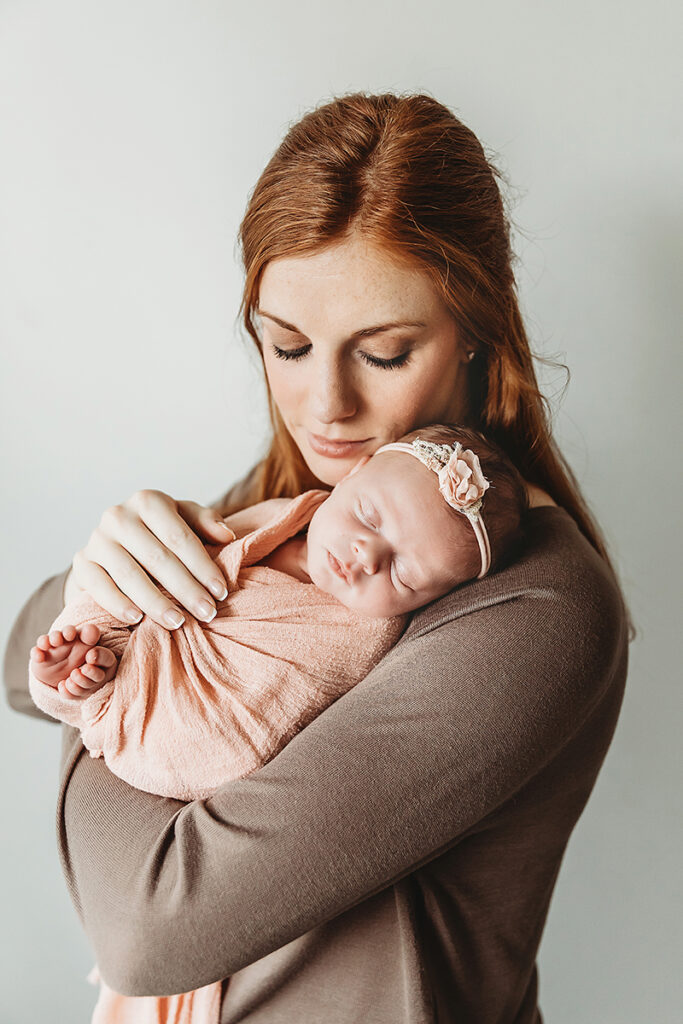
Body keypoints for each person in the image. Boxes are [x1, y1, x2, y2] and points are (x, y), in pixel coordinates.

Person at [3, 91, 629, 1023]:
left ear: (478, 332)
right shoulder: (300, 522)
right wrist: (102, 573)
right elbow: (17, 663)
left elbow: (148, 928)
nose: (324, 403)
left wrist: (115, 682)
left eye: (382, 353)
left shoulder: (534, 610)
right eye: (286, 344)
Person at [27, 424, 527, 1023]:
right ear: (354, 472)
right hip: (145, 651)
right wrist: (105, 579)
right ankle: (87, 675)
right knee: (85, 636)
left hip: (207, 722)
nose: (368, 554)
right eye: (368, 514)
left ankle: (101, 695)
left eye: (405, 577)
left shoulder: (358, 636)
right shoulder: (281, 514)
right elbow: (19, 656)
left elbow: (271, 716)